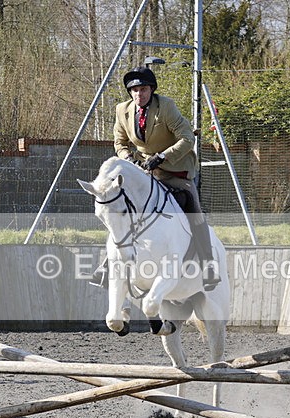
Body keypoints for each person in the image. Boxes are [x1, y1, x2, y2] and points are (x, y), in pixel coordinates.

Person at [93, 66, 220, 290]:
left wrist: (162, 157)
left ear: (151, 90)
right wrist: (129, 160)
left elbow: (187, 138)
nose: (138, 94)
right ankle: (107, 265)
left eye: (143, 89)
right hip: (144, 170)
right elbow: (119, 143)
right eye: (134, 90)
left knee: (193, 208)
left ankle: (209, 266)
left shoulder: (166, 107)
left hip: (175, 169)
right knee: (121, 209)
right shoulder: (122, 110)